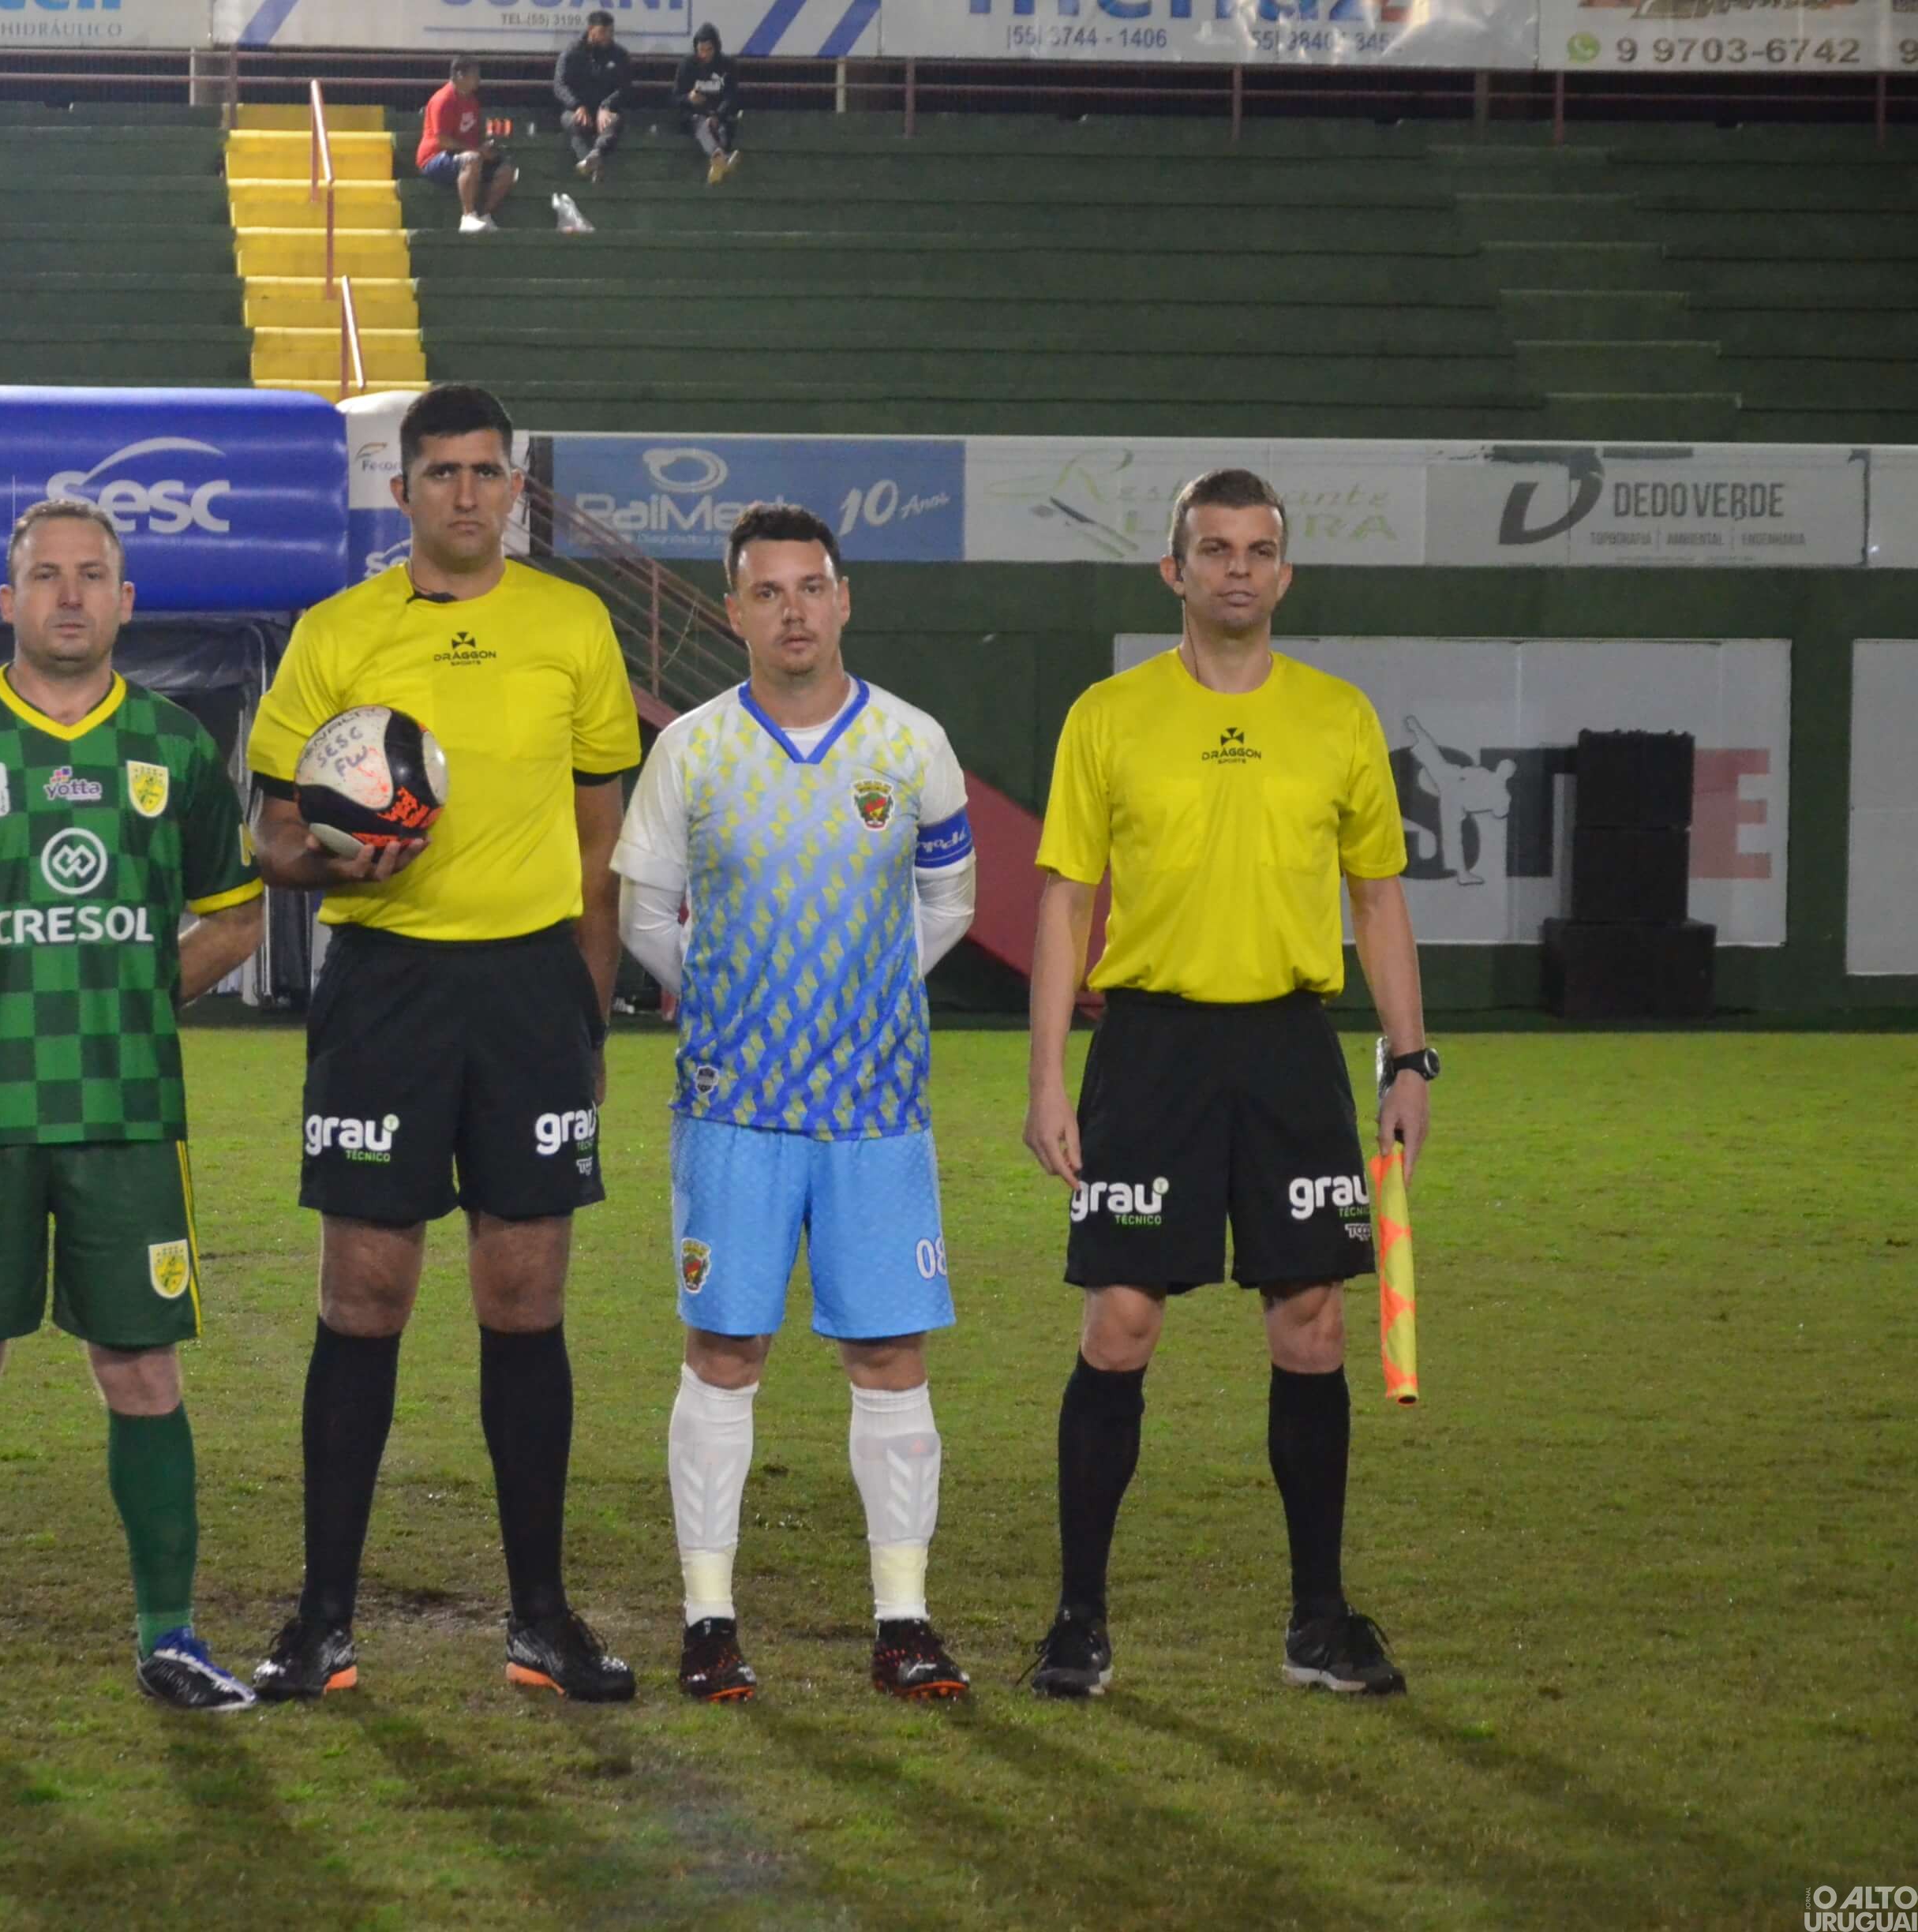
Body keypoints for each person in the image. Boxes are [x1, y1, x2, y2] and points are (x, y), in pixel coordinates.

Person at [242, 383, 644, 1703]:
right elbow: (268, 833)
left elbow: (600, 852)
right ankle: (320, 1620)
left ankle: (541, 1617)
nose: (467, 494)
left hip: (530, 994)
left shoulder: (572, 626)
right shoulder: (335, 633)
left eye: (488, 472)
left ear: (514, 488)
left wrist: (585, 1019)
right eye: (442, 472)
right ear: (401, 488)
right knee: (363, 1293)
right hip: (387, 987)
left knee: (524, 1295)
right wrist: (333, 852)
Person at [0, 500, 267, 1717]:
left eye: (93, 578)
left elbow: (234, 915)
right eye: (45, 577)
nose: (69, 596)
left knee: (141, 1372)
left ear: (126, 602)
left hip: (127, 1110)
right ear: (8, 599)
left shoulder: (177, 748)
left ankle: (170, 1637)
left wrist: (139, 992)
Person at [1019, 467, 1435, 1701]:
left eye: (1259, 550)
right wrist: (1049, 1076)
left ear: (1285, 572)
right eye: (1215, 549)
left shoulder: (1339, 717)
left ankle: (1318, 1620)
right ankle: (1078, 1619)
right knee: (1122, 1322)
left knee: (1312, 1327)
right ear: (1176, 572)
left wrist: (1409, 1057)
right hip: (1148, 1050)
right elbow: (1065, 899)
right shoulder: (1108, 715)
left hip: (1290, 1049)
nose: (1238, 569)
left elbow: (1378, 897)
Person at [614, 504, 979, 1705]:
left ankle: (904, 1618)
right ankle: (709, 1619)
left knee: (889, 1351)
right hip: (736, 1107)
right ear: (734, 613)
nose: (793, 610)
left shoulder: (914, 744)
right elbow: (642, 918)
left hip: (876, 1106)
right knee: (725, 1349)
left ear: (844, 598)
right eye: (766, 593)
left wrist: (854, 1000)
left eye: (811, 587)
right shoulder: (693, 752)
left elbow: (950, 906)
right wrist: (736, 1004)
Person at [418, 56, 517, 234]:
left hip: (468, 154)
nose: (478, 81)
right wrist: (476, 151)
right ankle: (468, 217)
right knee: (472, 158)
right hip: (434, 159)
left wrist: (487, 146)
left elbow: (475, 135)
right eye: (475, 76)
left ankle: (485, 215)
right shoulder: (443, 100)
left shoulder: (472, 101)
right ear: (459, 75)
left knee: (506, 170)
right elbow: (443, 140)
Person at [554, 9, 631, 183]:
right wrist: (577, 105)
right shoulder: (572, 53)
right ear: (591, 30)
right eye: (602, 32)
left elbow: (625, 87)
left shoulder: (619, 55)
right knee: (575, 124)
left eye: (610, 32)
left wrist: (606, 106)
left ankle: (593, 157)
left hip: (605, 110)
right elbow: (559, 86)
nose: (607, 36)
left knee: (613, 123)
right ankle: (595, 164)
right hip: (576, 109)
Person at [671, 24, 741, 184]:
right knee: (702, 125)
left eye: (709, 50)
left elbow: (732, 96)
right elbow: (675, 97)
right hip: (693, 115)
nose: (704, 54)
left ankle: (719, 162)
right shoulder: (687, 65)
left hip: (720, 114)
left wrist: (718, 114)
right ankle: (721, 157)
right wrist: (689, 98)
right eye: (701, 50)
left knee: (720, 128)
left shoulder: (727, 65)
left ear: (716, 48)